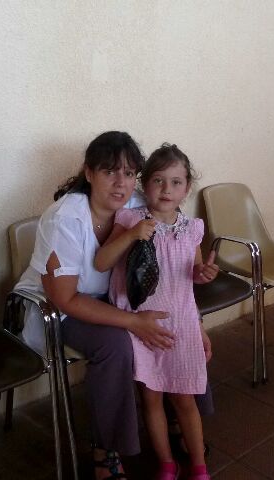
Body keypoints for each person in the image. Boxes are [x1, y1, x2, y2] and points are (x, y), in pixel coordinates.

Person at [14, 132, 213, 480]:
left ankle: (179, 415)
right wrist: (133, 322)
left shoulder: (138, 201)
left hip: (115, 297)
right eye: (109, 172)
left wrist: (194, 322)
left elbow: (173, 273)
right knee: (116, 346)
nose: (121, 183)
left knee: (179, 333)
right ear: (89, 173)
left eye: (130, 173)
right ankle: (105, 448)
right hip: (57, 307)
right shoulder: (65, 219)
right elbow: (65, 298)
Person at [95, 144, 219, 480]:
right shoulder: (130, 219)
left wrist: (203, 275)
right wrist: (132, 235)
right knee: (151, 400)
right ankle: (166, 463)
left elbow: (191, 276)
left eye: (176, 182)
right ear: (145, 184)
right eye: (158, 181)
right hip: (141, 328)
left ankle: (199, 466)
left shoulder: (191, 228)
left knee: (185, 401)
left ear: (187, 188)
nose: (167, 189)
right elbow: (102, 262)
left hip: (179, 326)